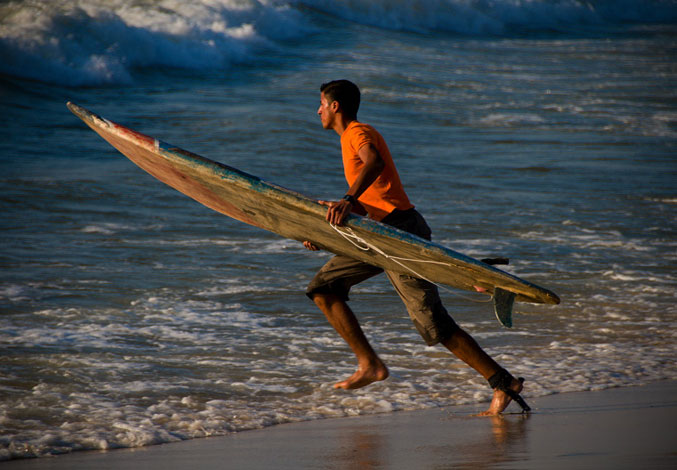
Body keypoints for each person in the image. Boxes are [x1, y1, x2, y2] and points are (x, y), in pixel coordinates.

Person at [303, 80, 529, 415]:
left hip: (400, 232)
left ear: (335, 106)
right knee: (323, 289)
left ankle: (503, 382)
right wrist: (329, 228)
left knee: (434, 324)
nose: (317, 110)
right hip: (380, 232)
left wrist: (347, 198)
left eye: (321, 103)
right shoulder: (348, 139)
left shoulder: (356, 133)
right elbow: (372, 202)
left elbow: (374, 162)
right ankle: (369, 364)